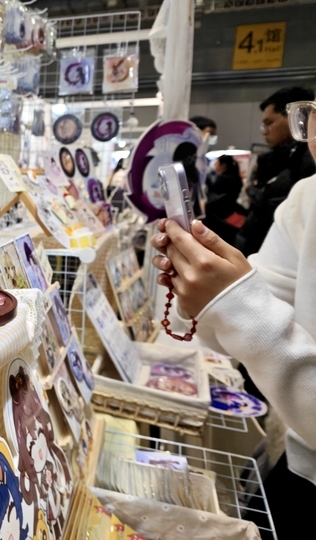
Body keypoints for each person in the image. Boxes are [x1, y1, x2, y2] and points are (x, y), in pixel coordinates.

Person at [149, 96, 316, 539]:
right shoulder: (306, 198)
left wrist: (234, 303)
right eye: (311, 115)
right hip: (299, 460)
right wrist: (208, 294)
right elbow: (252, 303)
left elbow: (252, 312)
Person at [234, 87, 315, 257]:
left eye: (269, 123)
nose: (265, 131)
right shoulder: (281, 159)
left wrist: (255, 193)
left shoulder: (304, 163)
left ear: (298, 117)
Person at [203, 155, 246, 246]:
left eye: (217, 163)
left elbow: (214, 197)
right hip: (230, 211)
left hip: (221, 214)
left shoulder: (223, 179)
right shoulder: (236, 178)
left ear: (223, 165)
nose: (215, 165)